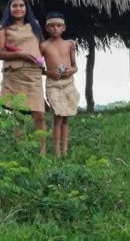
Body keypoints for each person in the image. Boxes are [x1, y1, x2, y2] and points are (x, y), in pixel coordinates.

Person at [0, 0, 47, 154]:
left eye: (21, 5)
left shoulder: (35, 25)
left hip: (33, 75)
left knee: (39, 114)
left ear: (26, 8)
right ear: (9, 9)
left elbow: (42, 48)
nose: (18, 9)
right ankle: (20, 152)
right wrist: (21, 55)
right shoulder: (3, 28)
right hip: (15, 74)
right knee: (19, 115)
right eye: (14, 6)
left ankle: (42, 153)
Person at [40, 11, 79, 157]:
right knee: (58, 116)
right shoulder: (43, 46)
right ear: (46, 28)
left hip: (68, 83)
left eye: (58, 25)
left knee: (66, 117)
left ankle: (65, 150)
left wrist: (71, 71)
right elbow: (38, 67)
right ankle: (57, 152)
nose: (55, 28)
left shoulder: (69, 44)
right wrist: (48, 73)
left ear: (64, 27)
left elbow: (75, 66)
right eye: (52, 26)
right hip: (53, 84)